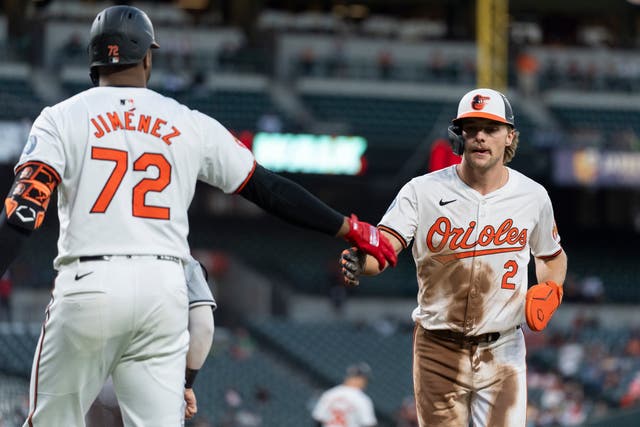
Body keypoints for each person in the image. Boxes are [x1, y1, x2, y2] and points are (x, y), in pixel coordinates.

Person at [0, 6, 396, 425]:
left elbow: (22, 212)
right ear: (148, 58)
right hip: (164, 290)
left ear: (93, 60)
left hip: (89, 282)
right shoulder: (187, 122)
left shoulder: (61, 118)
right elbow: (269, 190)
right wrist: (347, 227)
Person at [340, 88, 567, 427]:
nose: (479, 136)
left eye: (490, 129)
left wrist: (552, 288)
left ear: (509, 136)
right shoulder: (422, 191)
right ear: (459, 136)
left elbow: (551, 256)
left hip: (502, 347)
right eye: (470, 127)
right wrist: (363, 260)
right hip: (437, 349)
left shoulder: (533, 196)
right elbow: (384, 247)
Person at [85, 257, 215, 426]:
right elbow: (204, 328)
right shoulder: (182, 259)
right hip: (156, 379)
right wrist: (188, 384)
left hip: (97, 379)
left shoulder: (101, 253)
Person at [312, 362, 377, 427]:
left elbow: (318, 419)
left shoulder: (330, 394)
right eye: (366, 380)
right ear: (361, 379)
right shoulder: (362, 399)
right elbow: (368, 424)